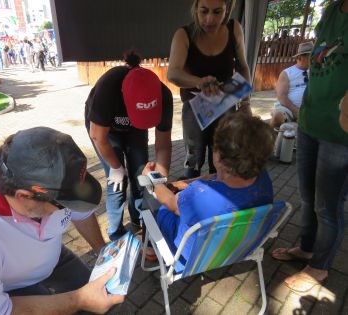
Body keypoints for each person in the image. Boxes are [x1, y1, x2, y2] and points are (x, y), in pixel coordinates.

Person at [0, 127, 124, 314]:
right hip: (6, 287)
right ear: (24, 196)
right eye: (64, 205)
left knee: (103, 295)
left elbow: (81, 214)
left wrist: (103, 254)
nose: (69, 209)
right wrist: (79, 300)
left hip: (52, 258)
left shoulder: (45, 176)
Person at [272, 0, 348, 293]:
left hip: (339, 133)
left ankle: (320, 266)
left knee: (328, 206)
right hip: (310, 123)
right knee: (307, 196)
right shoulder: (331, 10)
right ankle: (306, 248)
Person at [141, 113, 275, 270]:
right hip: (238, 248)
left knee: (150, 197)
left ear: (219, 158)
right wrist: (183, 183)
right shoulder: (263, 178)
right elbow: (214, 177)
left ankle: (149, 247)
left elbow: (171, 203)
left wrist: (150, 179)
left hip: (189, 256)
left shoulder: (199, 194)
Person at [85, 50, 173, 241]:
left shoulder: (163, 95)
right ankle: (116, 233)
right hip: (106, 131)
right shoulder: (108, 89)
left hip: (135, 129)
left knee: (140, 174)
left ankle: (141, 220)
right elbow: (98, 136)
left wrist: (160, 180)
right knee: (118, 181)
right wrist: (116, 167)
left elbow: (163, 145)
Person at [167, 0, 252, 178]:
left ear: (227, 9)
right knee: (193, 162)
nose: (209, 20)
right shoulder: (184, 34)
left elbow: (243, 67)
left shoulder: (234, 28)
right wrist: (198, 81)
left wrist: (246, 102)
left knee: (223, 162)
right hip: (195, 109)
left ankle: (219, 202)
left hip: (225, 107)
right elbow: (173, 73)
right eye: (204, 11)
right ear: (195, 9)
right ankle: (193, 201)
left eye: (217, 12)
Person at [270, 42, 313, 129]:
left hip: (310, 110)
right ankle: (270, 140)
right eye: (310, 56)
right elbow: (282, 97)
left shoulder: (317, 72)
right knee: (278, 116)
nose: (313, 59)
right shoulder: (287, 73)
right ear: (300, 57)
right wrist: (297, 112)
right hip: (288, 108)